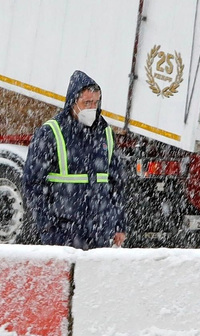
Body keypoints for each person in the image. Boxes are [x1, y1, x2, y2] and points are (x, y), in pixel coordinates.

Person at [22, 71, 128, 249]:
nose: (92, 108)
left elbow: (116, 184)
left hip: (99, 233)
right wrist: (48, 227)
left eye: (95, 103)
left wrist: (118, 225)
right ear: (73, 101)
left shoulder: (105, 133)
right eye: (87, 103)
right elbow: (33, 183)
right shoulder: (52, 133)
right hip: (63, 234)